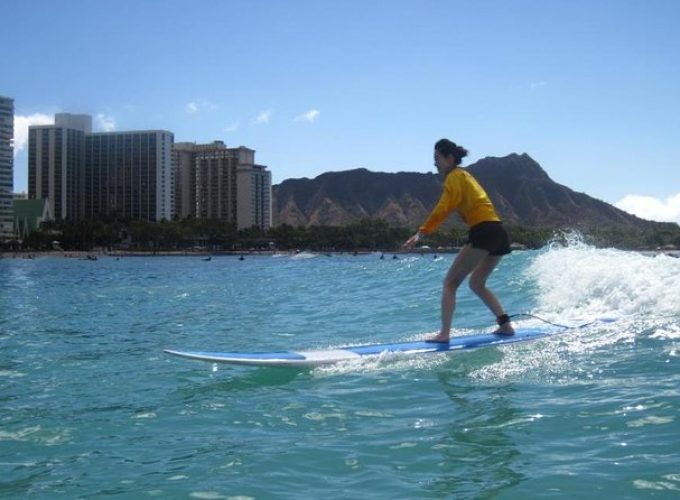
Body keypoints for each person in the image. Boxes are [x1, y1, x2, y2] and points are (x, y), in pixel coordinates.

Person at [403, 139, 514, 341]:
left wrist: (422, 232)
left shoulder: (454, 177)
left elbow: (443, 207)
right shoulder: (465, 176)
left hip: (483, 230)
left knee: (449, 284)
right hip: (498, 231)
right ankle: (505, 325)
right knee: (476, 283)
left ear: (449, 159)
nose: (434, 163)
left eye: (437, 158)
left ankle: (444, 334)